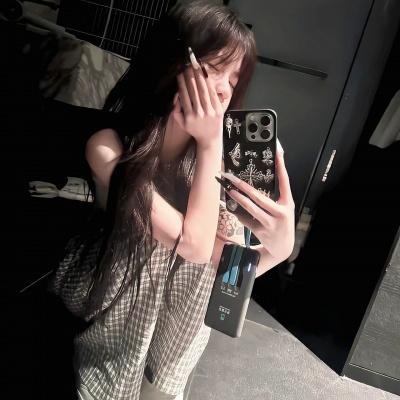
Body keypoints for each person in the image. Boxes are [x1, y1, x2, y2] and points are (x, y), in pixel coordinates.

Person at [50, 1, 295, 399]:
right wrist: (210, 142)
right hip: (106, 313)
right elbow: (193, 245)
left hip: (172, 343)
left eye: (233, 81)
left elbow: (222, 271)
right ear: (171, 63)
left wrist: (280, 248)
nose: (222, 89)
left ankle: (161, 386)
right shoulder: (108, 147)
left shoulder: (220, 160)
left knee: (214, 255)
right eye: (212, 69)